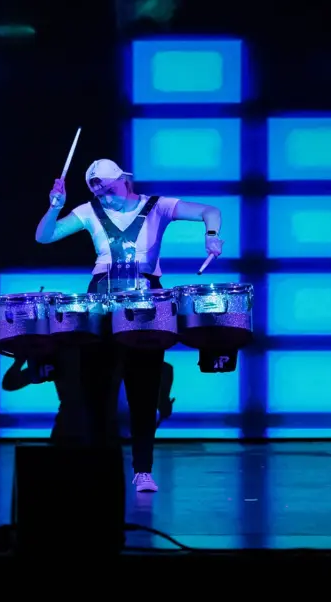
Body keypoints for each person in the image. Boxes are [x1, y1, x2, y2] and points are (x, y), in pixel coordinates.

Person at [34, 158, 223, 492]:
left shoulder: (158, 206)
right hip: (102, 299)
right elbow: (45, 237)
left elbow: (210, 211)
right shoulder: (89, 211)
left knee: (144, 383)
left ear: (123, 180)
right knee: (94, 385)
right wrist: (55, 207)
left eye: (105, 188)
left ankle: (143, 470)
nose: (101, 195)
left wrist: (211, 237)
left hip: (146, 302)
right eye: (95, 189)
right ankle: (96, 465)